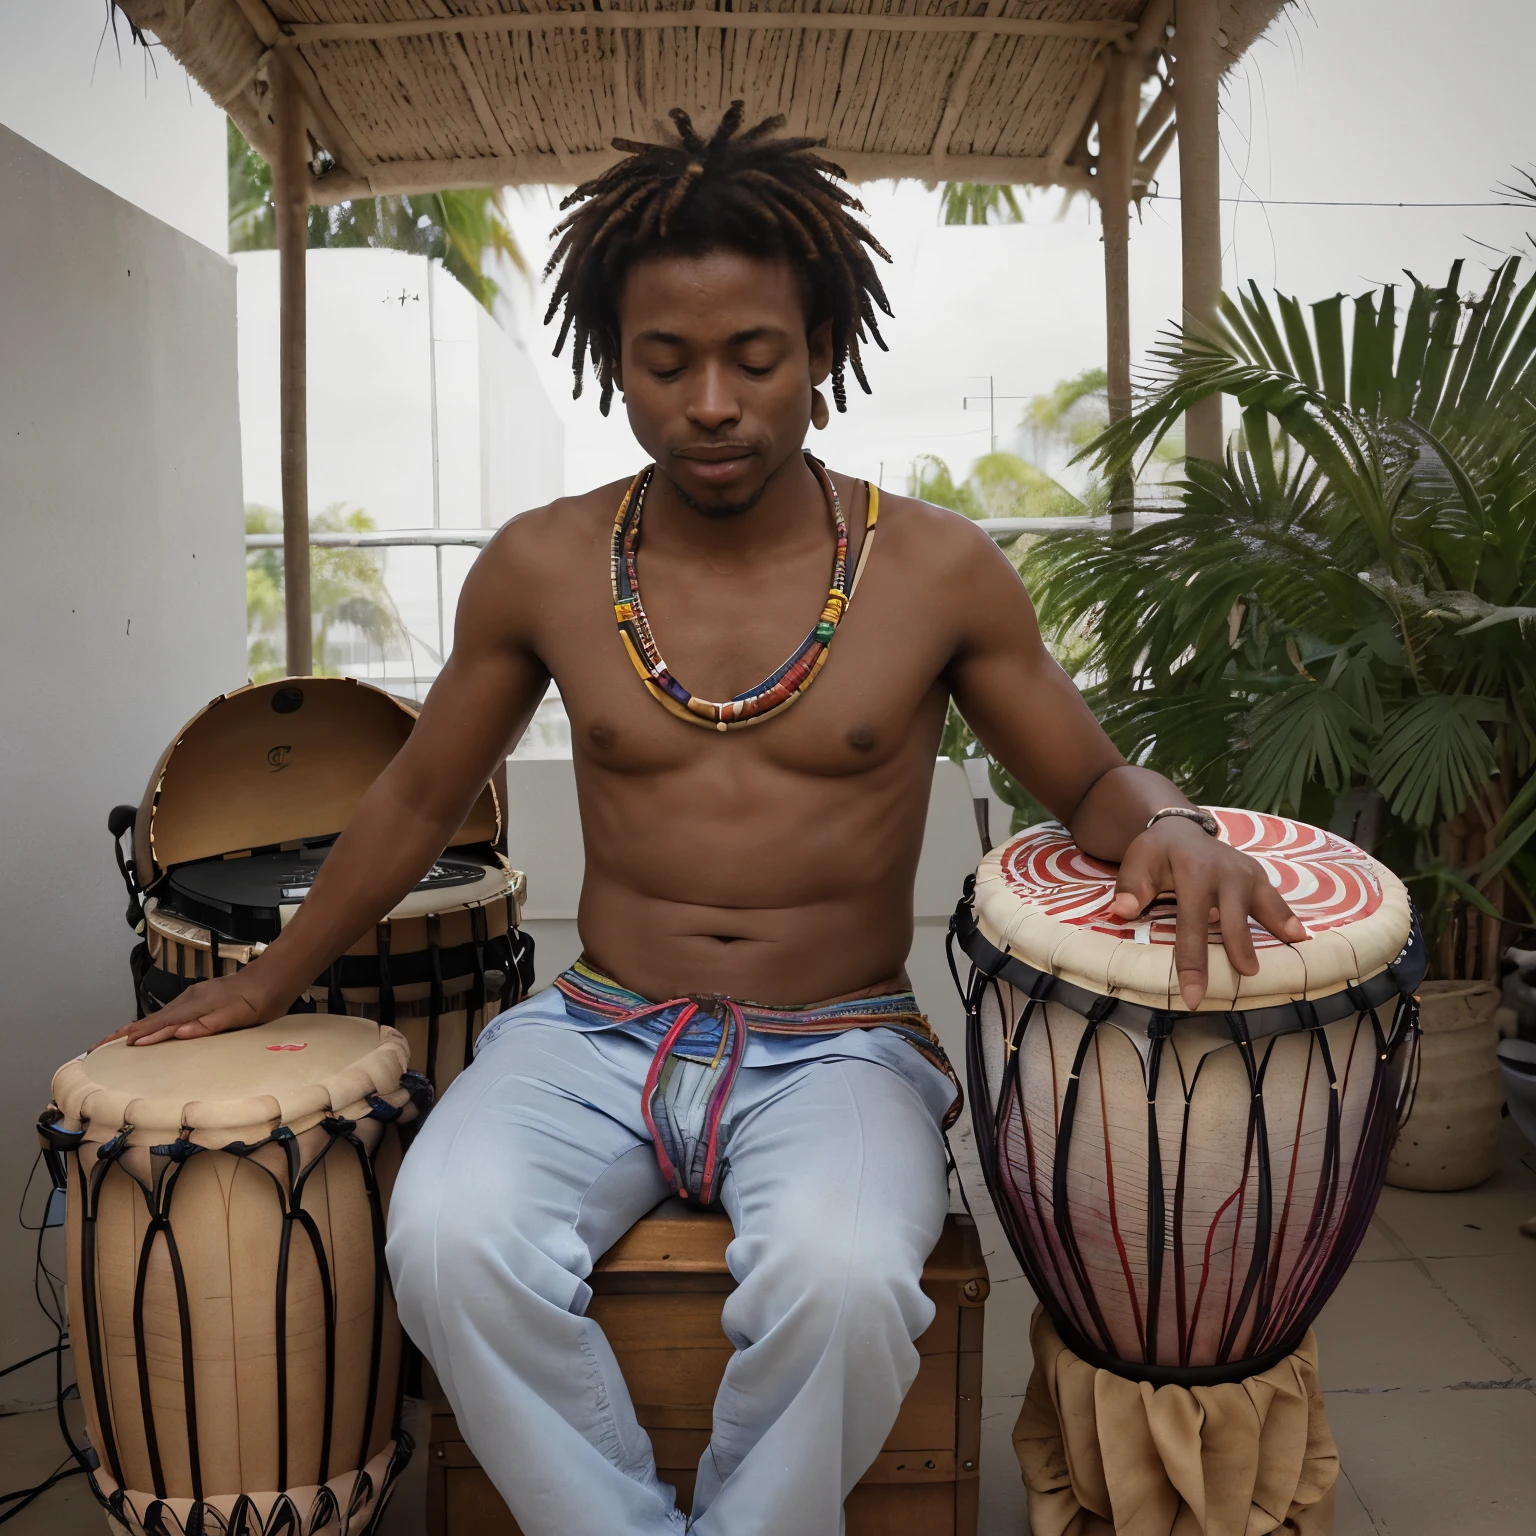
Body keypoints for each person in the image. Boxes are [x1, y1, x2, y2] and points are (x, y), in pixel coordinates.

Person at [114, 105, 1306, 1536]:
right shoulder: (544, 565)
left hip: (841, 1039)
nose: (713, 403)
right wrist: (269, 975)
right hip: (597, 1028)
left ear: (821, 349)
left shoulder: (936, 570)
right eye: (663, 363)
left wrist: (1170, 820)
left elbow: (1096, 783)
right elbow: (420, 796)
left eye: (755, 357)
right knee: (440, 1239)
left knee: (853, 1279)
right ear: (612, 361)